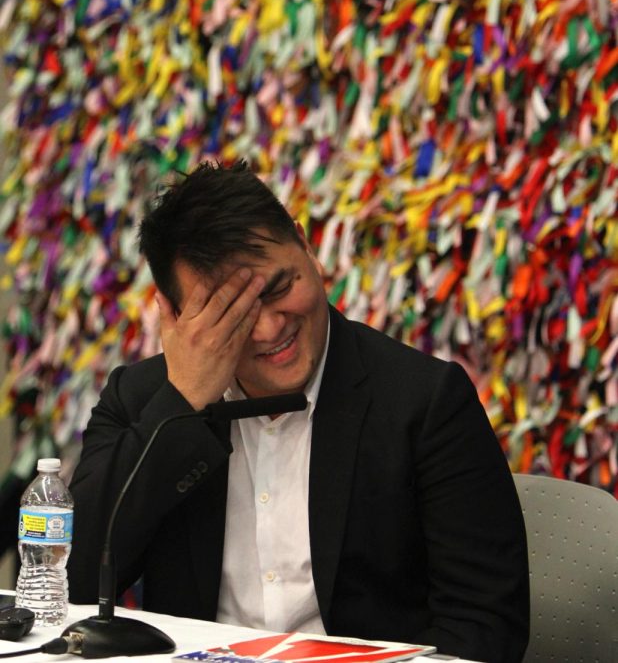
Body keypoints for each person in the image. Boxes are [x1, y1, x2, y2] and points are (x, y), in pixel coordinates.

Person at [68, 160, 529, 663]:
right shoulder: (140, 400)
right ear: (176, 316)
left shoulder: (425, 400)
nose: (268, 330)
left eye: (279, 289)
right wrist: (181, 404)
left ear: (307, 247)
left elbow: (487, 628)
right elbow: (71, 583)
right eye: (232, 316)